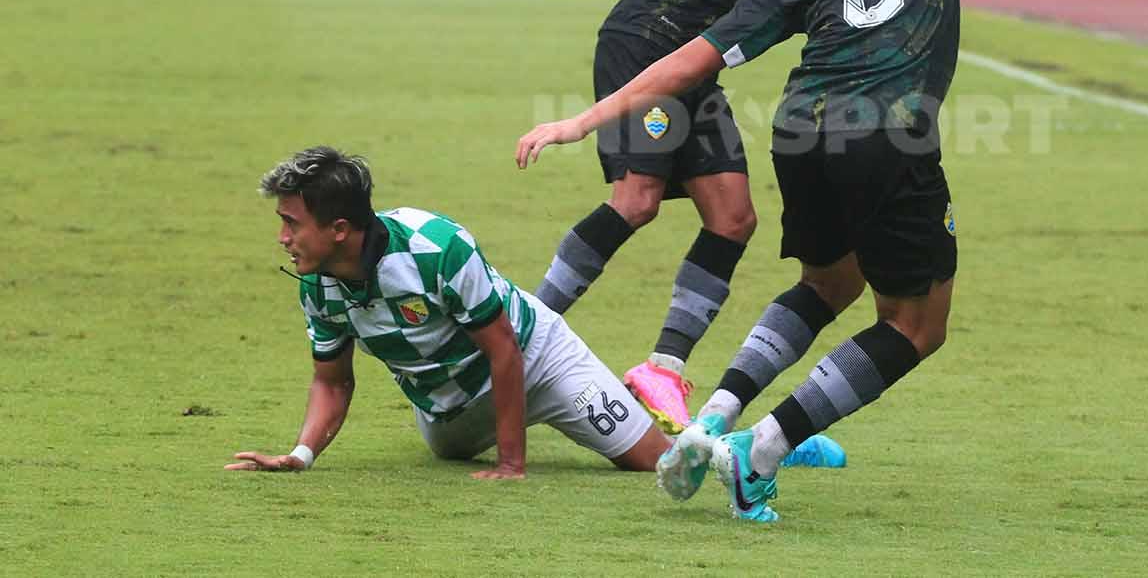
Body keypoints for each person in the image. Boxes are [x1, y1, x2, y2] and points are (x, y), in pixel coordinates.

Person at [513, 0, 1148, 521]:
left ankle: (715, 415)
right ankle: (762, 448)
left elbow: (695, 57)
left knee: (829, 281)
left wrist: (582, 120)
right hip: (886, 136)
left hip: (798, 133)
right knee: (916, 324)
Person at [526, 0, 868, 436]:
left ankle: (663, 366)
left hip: (696, 58)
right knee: (638, 199)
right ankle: (524, 331)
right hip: (648, 38)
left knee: (734, 216)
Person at [229, 147, 844, 479]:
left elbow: (504, 349)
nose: (283, 237)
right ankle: (621, 398)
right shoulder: (318, 281)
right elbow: (331, 381)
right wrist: (300, 456)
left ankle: (764, 444)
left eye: (291, 222)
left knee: (659, 463)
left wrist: (511, 463)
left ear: (339, 229)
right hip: (447, 414)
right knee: (445, 450)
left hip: (537, 359)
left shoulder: (435, 247)